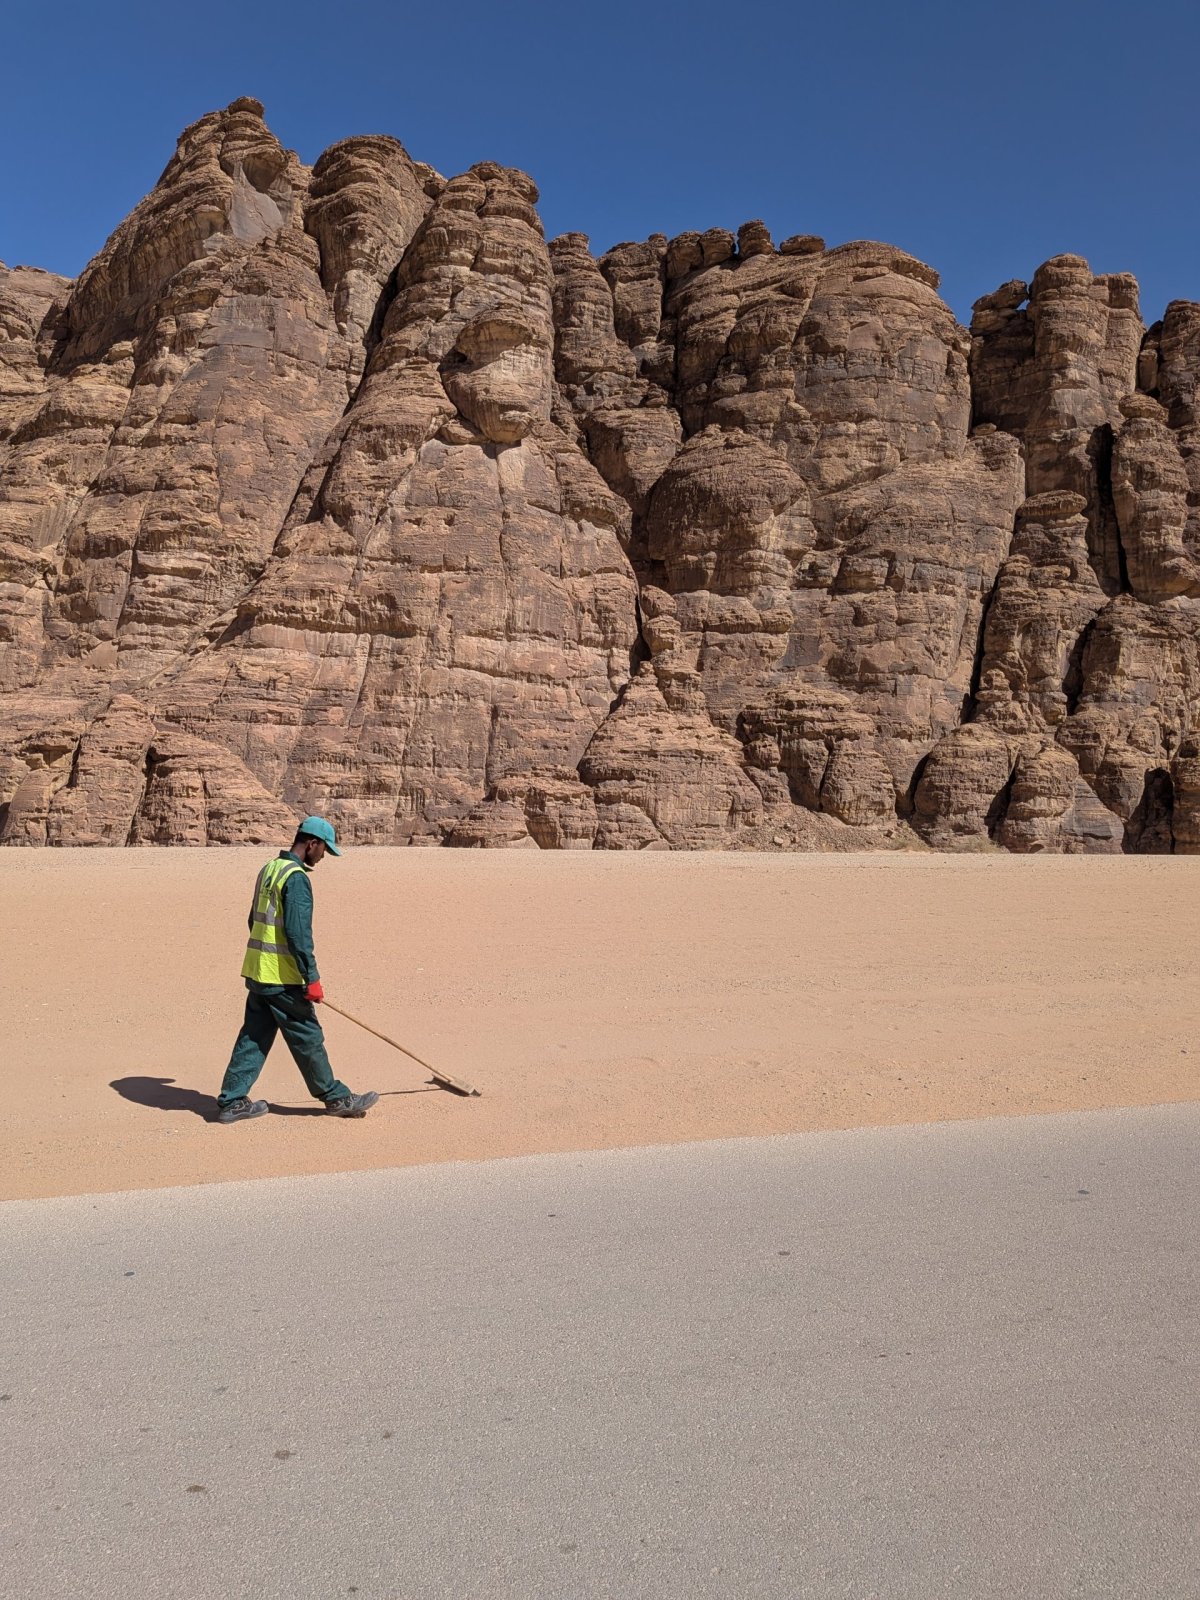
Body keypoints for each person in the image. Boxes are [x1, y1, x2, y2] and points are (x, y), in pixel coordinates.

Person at [216, 816, 378, 1123]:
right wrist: (311, 978)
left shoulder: (270, 869)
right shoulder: (297, 878)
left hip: (258, 972)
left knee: (253, 1036)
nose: (324, 857)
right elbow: (298, 934)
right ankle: (336, 1097)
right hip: (282, 978)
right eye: (324, 850)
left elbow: (254, 920)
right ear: (311, 844)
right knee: (307, 1036)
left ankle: (232, 1101)